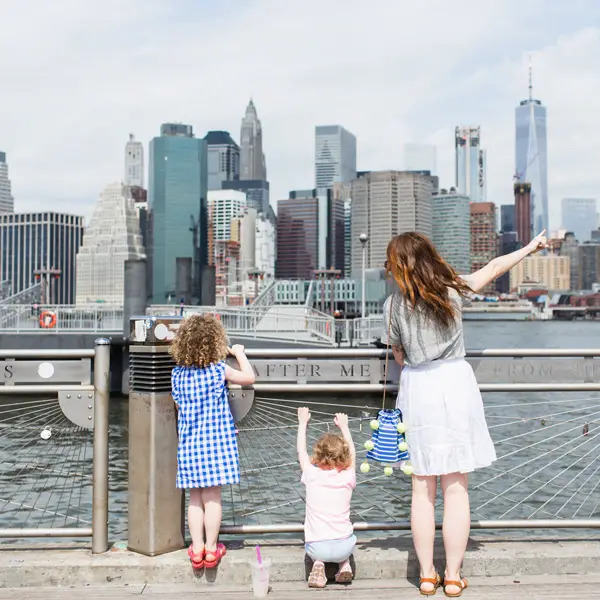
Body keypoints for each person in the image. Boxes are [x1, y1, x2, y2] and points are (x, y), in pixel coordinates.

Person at [383, 230, 547, 597]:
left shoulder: (393, 305)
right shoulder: (452, 289)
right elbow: (494, 267)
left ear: (401, 266)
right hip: (456, 384)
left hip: (419, 388)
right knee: (456, 490)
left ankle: (427, 575)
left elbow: (398, 356)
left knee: (421, 490)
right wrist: (531, 247)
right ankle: (453, 577)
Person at [170, 314, 255, 569]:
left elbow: (177, 406)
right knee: (213, 498)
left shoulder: (177, 374)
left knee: (194, 498)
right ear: (215, 342)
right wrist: (239, 353)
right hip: (216, 443)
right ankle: (211, 548)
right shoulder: (218, 369)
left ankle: (195, 549)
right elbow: (249, 377)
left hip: (189, 445)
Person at [297, 407, 357, 588]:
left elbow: (301, 451)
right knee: (344, 536)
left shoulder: (311, 474)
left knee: (316, 542)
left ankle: (318, 563)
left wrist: (302, 424)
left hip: (317, 547)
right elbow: (353, 455)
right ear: (344, 454)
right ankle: (344, 564)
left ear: (317, 454)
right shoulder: (347, 475)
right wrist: (344, 427)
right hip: (344, 546)